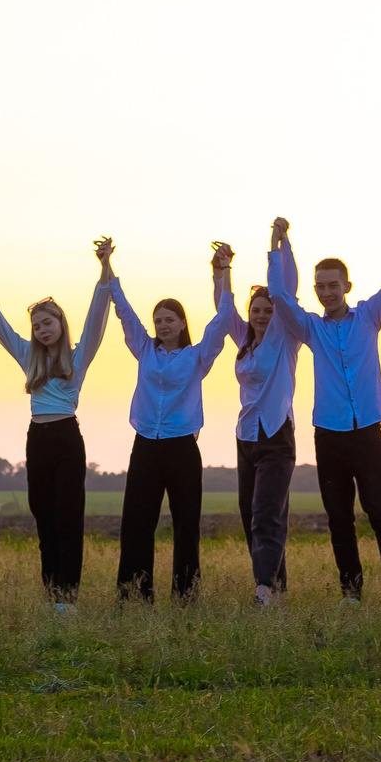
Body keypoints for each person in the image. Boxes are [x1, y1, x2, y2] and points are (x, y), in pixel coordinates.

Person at [267, 212, 381, 599]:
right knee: (339, 519)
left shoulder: (369, 316)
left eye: (333, 285)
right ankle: (351, 593)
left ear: (347, 285)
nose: (327, 292)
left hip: (367, 433)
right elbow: (278, 296)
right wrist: (280, 245)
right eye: (320, 286)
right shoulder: (311, 328)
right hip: (328, 436)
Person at [0, 242, 114, 604]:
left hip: (67, 439)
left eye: (48, 322)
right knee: (44, 521)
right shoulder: (27, 355)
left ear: (61, 324)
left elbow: (97, 314)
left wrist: (105, 268)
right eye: (36, 325)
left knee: (68, 520)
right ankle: (53, 596)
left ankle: (69, 598)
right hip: (38, 440)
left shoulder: (79, 357)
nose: (42, 329)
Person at [105, 241, 236, 602]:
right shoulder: (144, 349)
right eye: (158, 320)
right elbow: (124, 312)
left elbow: (223, 321)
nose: (162, 325)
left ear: (182, 323)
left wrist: (224, 273)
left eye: (169, 320)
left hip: (181, 446)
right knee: (136, 523)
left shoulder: (197, 356)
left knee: (186, 526)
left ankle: (185, 595)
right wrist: (108, 267)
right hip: (146, 444)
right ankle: (133, 594)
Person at [222, 240, 299, 603]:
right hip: (246, 436)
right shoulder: (244, 341)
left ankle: (263, 589)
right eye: (256, 310)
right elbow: (223, 311)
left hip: (276, 434)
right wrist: (221, 271)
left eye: (268, 310)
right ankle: (277, 587)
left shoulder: (284, 338)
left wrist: (278, 248)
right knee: (248, 513)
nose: (262, 316)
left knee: (266, 514)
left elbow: (288, 290)